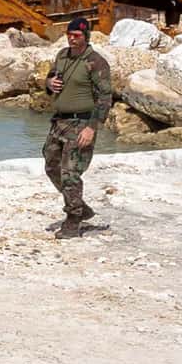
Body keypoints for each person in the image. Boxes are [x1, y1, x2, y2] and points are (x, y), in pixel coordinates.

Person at [41, 16, 113, 234]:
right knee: (51, 166)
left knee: (70, 173)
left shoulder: (96, 62)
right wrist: (48, 83)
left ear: (86, 36)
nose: (72, 39)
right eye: (69, 35)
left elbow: (105, 97)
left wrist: (91, 127)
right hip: (59, 121)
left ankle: (73, 220)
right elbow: (51, 77)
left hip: (81, 122)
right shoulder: (62, 55)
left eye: (77, 36)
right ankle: (80, 207)